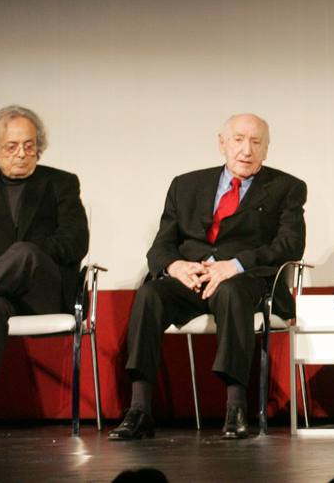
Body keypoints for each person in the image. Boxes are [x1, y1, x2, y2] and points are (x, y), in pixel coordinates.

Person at [108, 113, 306, 440]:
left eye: (256, 142)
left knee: (230, 291)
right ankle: (140, 408)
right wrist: (174, 266)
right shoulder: (185, 185)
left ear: (267, 149)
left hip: (248, 280)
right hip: (193, 277)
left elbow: (290, 245)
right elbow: (161, 246)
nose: (246, 150)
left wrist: (236, 264)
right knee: (150, 295)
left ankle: (236, 407)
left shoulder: (287, 188)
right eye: (238, 140)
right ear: (222, 143)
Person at [0, 106, 89, 442]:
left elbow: (75, 241)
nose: (23, 154)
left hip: (46, 291)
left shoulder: (62, 183)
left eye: (30, 145)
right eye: (12, 147)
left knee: (24, 251)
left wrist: (24, 257)